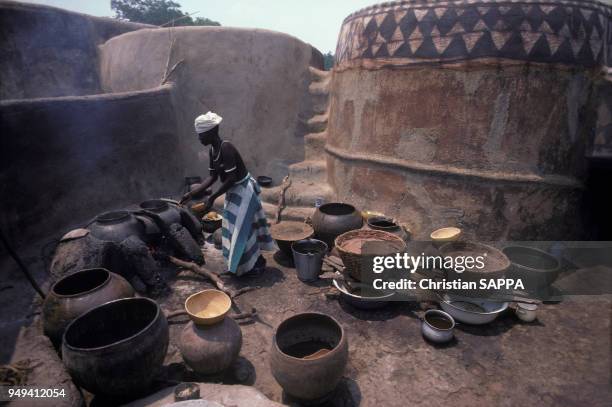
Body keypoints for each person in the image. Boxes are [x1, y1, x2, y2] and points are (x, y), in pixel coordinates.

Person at [181, 112, 275, 276]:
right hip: (233, 191)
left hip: (244, 190)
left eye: (200, 134)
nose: (199, 138)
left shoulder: (226, 147)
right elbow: (212, 177)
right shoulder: (212, 150)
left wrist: (212, 197)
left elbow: (231, 178)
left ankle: (257, 264)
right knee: (233, 229)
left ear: (211, 132)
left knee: (243, 229)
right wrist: (191, 194)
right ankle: (245, 265)